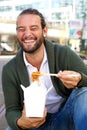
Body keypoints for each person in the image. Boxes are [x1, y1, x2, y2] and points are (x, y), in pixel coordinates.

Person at [2, 8, 87, 130]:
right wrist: (21, 122)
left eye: (33, 28)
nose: (27, 34)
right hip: (33, 125)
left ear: (44, 30)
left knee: (84, 92)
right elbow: (11, 110)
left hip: (66, 118)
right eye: (21, 29)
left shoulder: (64, 54)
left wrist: (80, 79)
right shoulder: (9, 69)